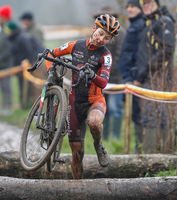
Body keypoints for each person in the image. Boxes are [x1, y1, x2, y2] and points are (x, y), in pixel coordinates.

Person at [45, 14, 120, 179]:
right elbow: (52, 54)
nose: (101, 39)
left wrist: (92, 75)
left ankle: (98, 144)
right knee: (77, 154)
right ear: (94, 29)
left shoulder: (106, 56)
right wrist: (51, 71)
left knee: (94, 123)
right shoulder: (76, 45)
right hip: (74, 104)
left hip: (95, 101)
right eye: (100, 34)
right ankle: (77, 188)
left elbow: (104, 83)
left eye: (106, 38)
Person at [135, 0, 175, 153]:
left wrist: (147, 69)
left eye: (149, 2)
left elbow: (167, 50)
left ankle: (162, 153)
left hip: (159, 78)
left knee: (159, 115)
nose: (145, 6)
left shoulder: (165, 21)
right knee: (148, 116)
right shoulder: (149, 24)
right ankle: (150, 152)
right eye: (143, 3)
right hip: (147, 77)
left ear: (157, 4)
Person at [93, 6, 126, 140]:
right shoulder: (97, 33)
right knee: (103, 108)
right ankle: (104, 137)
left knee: (115, 108)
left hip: (115, 79)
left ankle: (116, 138)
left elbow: (119, 55)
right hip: (100, 79)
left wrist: (106, 71)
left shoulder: (121, 33)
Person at [119, 0, 145, 153]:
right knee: (133, 114)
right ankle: (135, 147)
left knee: (138, 114)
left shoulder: (142, 25)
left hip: (135, 77)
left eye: (133, 6)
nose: (129, 9)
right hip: (129, 75)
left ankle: (139, 148)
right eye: (128, 6)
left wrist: (136, 75)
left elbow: (140, 54)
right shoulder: (133, 24)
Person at [3, 21, 44, 109]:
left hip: (30, 66)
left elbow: (29, 52)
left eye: (8, 31)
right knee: (22, 86)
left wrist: (30, 66)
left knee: (32, 87)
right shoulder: (14, 39)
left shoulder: (22, 38)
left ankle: (31, 106)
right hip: (22, 68)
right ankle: (24, 105)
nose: (6, 33)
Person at [19, 11, 46, 100]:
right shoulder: (25, 30)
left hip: (37, 60)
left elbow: (38, 46)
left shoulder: (36, 30)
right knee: (30, 82)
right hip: (30, 59)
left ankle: (38, 101)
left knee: (37, 82)